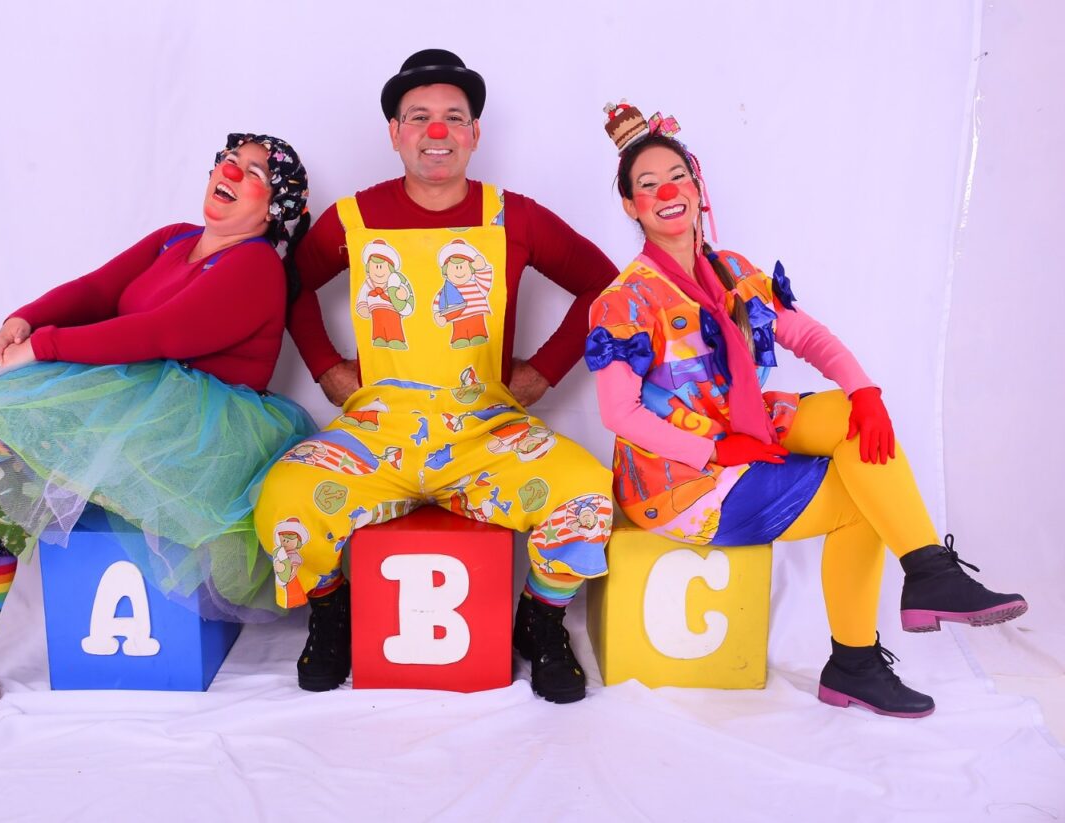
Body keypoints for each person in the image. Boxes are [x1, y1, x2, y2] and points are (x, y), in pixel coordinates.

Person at [0, 133, 314, 719]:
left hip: (198, 441)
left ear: (273, 210)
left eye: (254, 173)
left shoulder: (256, 266)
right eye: (229, 161)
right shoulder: (175, 237)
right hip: (133, 414)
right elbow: (97, 289)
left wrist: (42, 348)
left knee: (16, 411)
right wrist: (23, 321)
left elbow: (162, 333)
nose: (231, 172)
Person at [588, 102, 1027, 717]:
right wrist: (713, 449)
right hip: (682, 478)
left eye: (677, 176)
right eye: (647, 183)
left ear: (697, 185)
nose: (667, 191)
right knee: (864, 503)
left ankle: (928, 570)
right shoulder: (624, 301)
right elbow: (621, 414)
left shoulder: (733, 271)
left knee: (854, 420)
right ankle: (855, 662)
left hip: (747, 424)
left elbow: (807, 335)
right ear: (631, 206)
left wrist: (865, 391)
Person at [254, 50, 619, 704]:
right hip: (376, 436)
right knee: (283, 498)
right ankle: (331, 612)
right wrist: (326, 368)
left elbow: (603, 286)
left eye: (454, 116)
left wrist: (543, 373)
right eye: (419, 116)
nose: (438, 131)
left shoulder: (514, 216)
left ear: (475, 133)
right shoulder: (354, 217)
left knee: (586, 492)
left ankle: (540, 621)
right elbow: (288, 283)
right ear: (394, 133)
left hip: (486, 435)